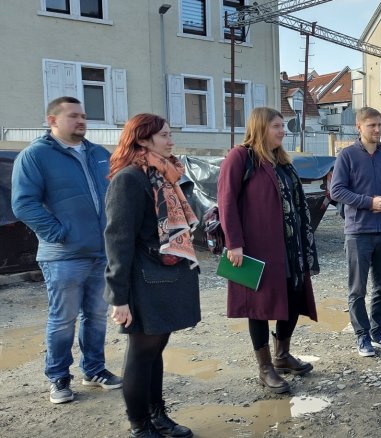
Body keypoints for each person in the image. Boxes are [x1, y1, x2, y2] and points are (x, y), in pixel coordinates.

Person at [11, 96, 122, 404]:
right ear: (53, 121)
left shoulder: (99, 153)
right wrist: (59, 233)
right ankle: (58, 378)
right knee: (63, 318)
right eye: (73, 116)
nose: (81, 120)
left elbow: (114, 196)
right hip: (64, 256)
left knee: (97, 315)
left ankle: (94, 369)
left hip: (101, 252)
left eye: (83, 115)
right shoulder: (36, 156)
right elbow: (24, 204)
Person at [104, 114, 199, 438]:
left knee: (155, 350)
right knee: (142, 353)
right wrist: (119, 298)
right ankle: (140, 424)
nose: (171, 140)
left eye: (171, 134)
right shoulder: (130, 179)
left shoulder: (165, 175)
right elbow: (117, 240)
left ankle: (158, 416)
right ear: (143, 140)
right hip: (143, 281)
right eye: (164, 135)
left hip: (167, 276)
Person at [218, 107, 320, 394]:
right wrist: (233, 243)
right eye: (277, 126)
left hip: (290, 246)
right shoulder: (241, 157)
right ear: (261, 127)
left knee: (294, 297)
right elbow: (226, 201)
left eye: (282, 126)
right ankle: (265, 368)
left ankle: (282, 354)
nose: (282, 131)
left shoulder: (281, 160)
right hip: (257, 248)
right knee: (259, 307)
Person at [330, 106, 381, 357]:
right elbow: (337, 191)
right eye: (371, 125)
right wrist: (369, 202)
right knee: (357, 288)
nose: (376, 129)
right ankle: (362, 336)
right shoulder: (347, 156)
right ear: (359, 127)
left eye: (379, 125)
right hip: (358, 232)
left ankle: (378, 331)